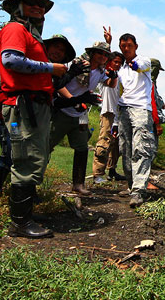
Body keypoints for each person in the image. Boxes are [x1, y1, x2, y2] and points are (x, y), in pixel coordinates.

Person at [0, 0, 71, 238]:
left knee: (34, 157)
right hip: (23, 105)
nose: (38, 8)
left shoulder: (32, 36)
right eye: (31, 4)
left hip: (36, 105)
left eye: (40, 5)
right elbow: (11, 60)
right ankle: (19, 223)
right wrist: (50, 67)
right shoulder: (15, 29)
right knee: (26, 157)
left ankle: (25, 214)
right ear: (18, 8)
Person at [46, 36, 111, 196]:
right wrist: (74, 100)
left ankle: (79, 184)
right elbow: (59, 86)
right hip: (62, 110)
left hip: (80, 115)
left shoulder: (101, 72)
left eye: (105, 55)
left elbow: (110, 83)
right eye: (100, 54)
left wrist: (114, 75)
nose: (103, 57)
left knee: (82, 148)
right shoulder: (77, 65)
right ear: (93, 54)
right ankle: (33, 181)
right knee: (46, 145)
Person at [116, 33, 155, 207]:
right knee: (125, 148)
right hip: (123, 108)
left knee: (141, 148)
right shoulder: (122, 68)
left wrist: (136, 64)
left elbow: (144, 65)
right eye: (123, 46)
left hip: (140, 108)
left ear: (135, 46)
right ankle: (132, 186)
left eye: (129, 45)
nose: (126, 48)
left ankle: (139, 191)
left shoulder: (143, 61)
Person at [92, 50, 124, 184]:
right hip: (108, 113)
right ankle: (98, 174)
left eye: (120, 63)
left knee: (115, 147)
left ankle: (112, 171)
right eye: (115, 61)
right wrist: (108, 43)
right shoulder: (104, 75)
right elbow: (105, 61)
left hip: (117, 115)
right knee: (104, 144)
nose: (117, 65)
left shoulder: (118, 77)